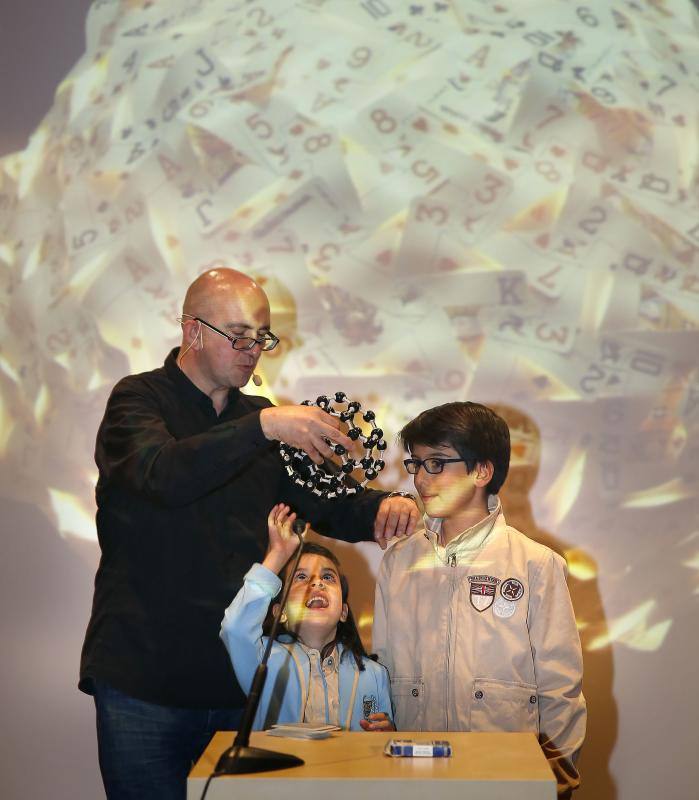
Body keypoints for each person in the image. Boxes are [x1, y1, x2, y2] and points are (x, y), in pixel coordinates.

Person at [80, 267, 418, 799]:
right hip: (145, 679)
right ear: (192, 331)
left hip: (243, 683)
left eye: (261, 337)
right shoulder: (138, 401)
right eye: (239, 335)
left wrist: (387, 509)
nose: (253, 349)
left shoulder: (261, 419)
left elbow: (329, 503)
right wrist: (264, 426)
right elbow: (160, 474)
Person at [372, 402, 586, 798]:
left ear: (482, 471)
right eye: (415, 464)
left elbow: (561, 687)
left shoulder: (534, 564)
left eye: (437, 463)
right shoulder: (398, 563)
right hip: (413, 775)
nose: (421, 478)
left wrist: (556, 779)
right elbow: (380, 670)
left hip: (505, 776)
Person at [220, 503, 394, 731]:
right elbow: (235, 628)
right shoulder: (264, 659)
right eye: (300, 577)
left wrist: (387, 733)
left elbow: (383, 751)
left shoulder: (374, 674)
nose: (317, 582)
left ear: (343, 612)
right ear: (280, 612)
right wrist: (277, 556)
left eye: (328, 577)